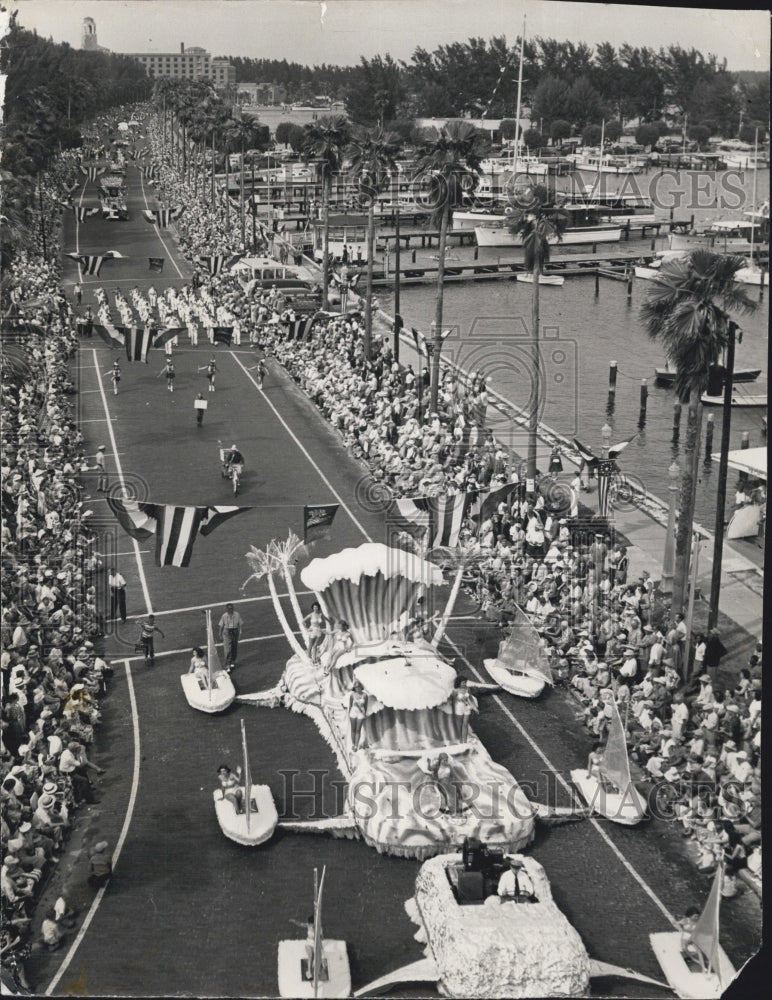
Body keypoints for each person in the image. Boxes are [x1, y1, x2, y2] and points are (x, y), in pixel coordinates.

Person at [452, 677, 478, 743]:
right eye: (463, 682)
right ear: (459, 682)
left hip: (466, 707)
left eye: (465, 682)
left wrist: (475, 707)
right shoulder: (455, 691)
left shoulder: (467, 689)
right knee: (460, 725)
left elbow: (471, 698)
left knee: (465, 724)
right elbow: (453, 701)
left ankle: (465, 740)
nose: (464, 684)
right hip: (459, 708)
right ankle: (460, 741)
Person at [218, 603, 243, 671]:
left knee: (234, 648)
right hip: (227, 632)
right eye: (229, 609)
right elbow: (221, 626)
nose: (230, 610)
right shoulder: (224, 616)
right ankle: (227, 665)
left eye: (232, 608)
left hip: (235, 631)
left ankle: (232, 661)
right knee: (227, 650)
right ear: (227, 609)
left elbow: (240, 625)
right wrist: (220, 635)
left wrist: (240, 633)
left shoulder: (237, 614)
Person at [348, 681, 368, 753]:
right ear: (354, 688)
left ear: (361, 687)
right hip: (353, 712)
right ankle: (353, 744)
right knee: (353, 729)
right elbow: (350, 705)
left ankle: (356, 745)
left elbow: (365, 706)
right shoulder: (352, 695)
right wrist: (349, 714)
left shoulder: (365, 695)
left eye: (358, 687)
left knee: (358, 730)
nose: (357, 689)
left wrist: (364, 714)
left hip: (361, 713)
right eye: (356, 688)